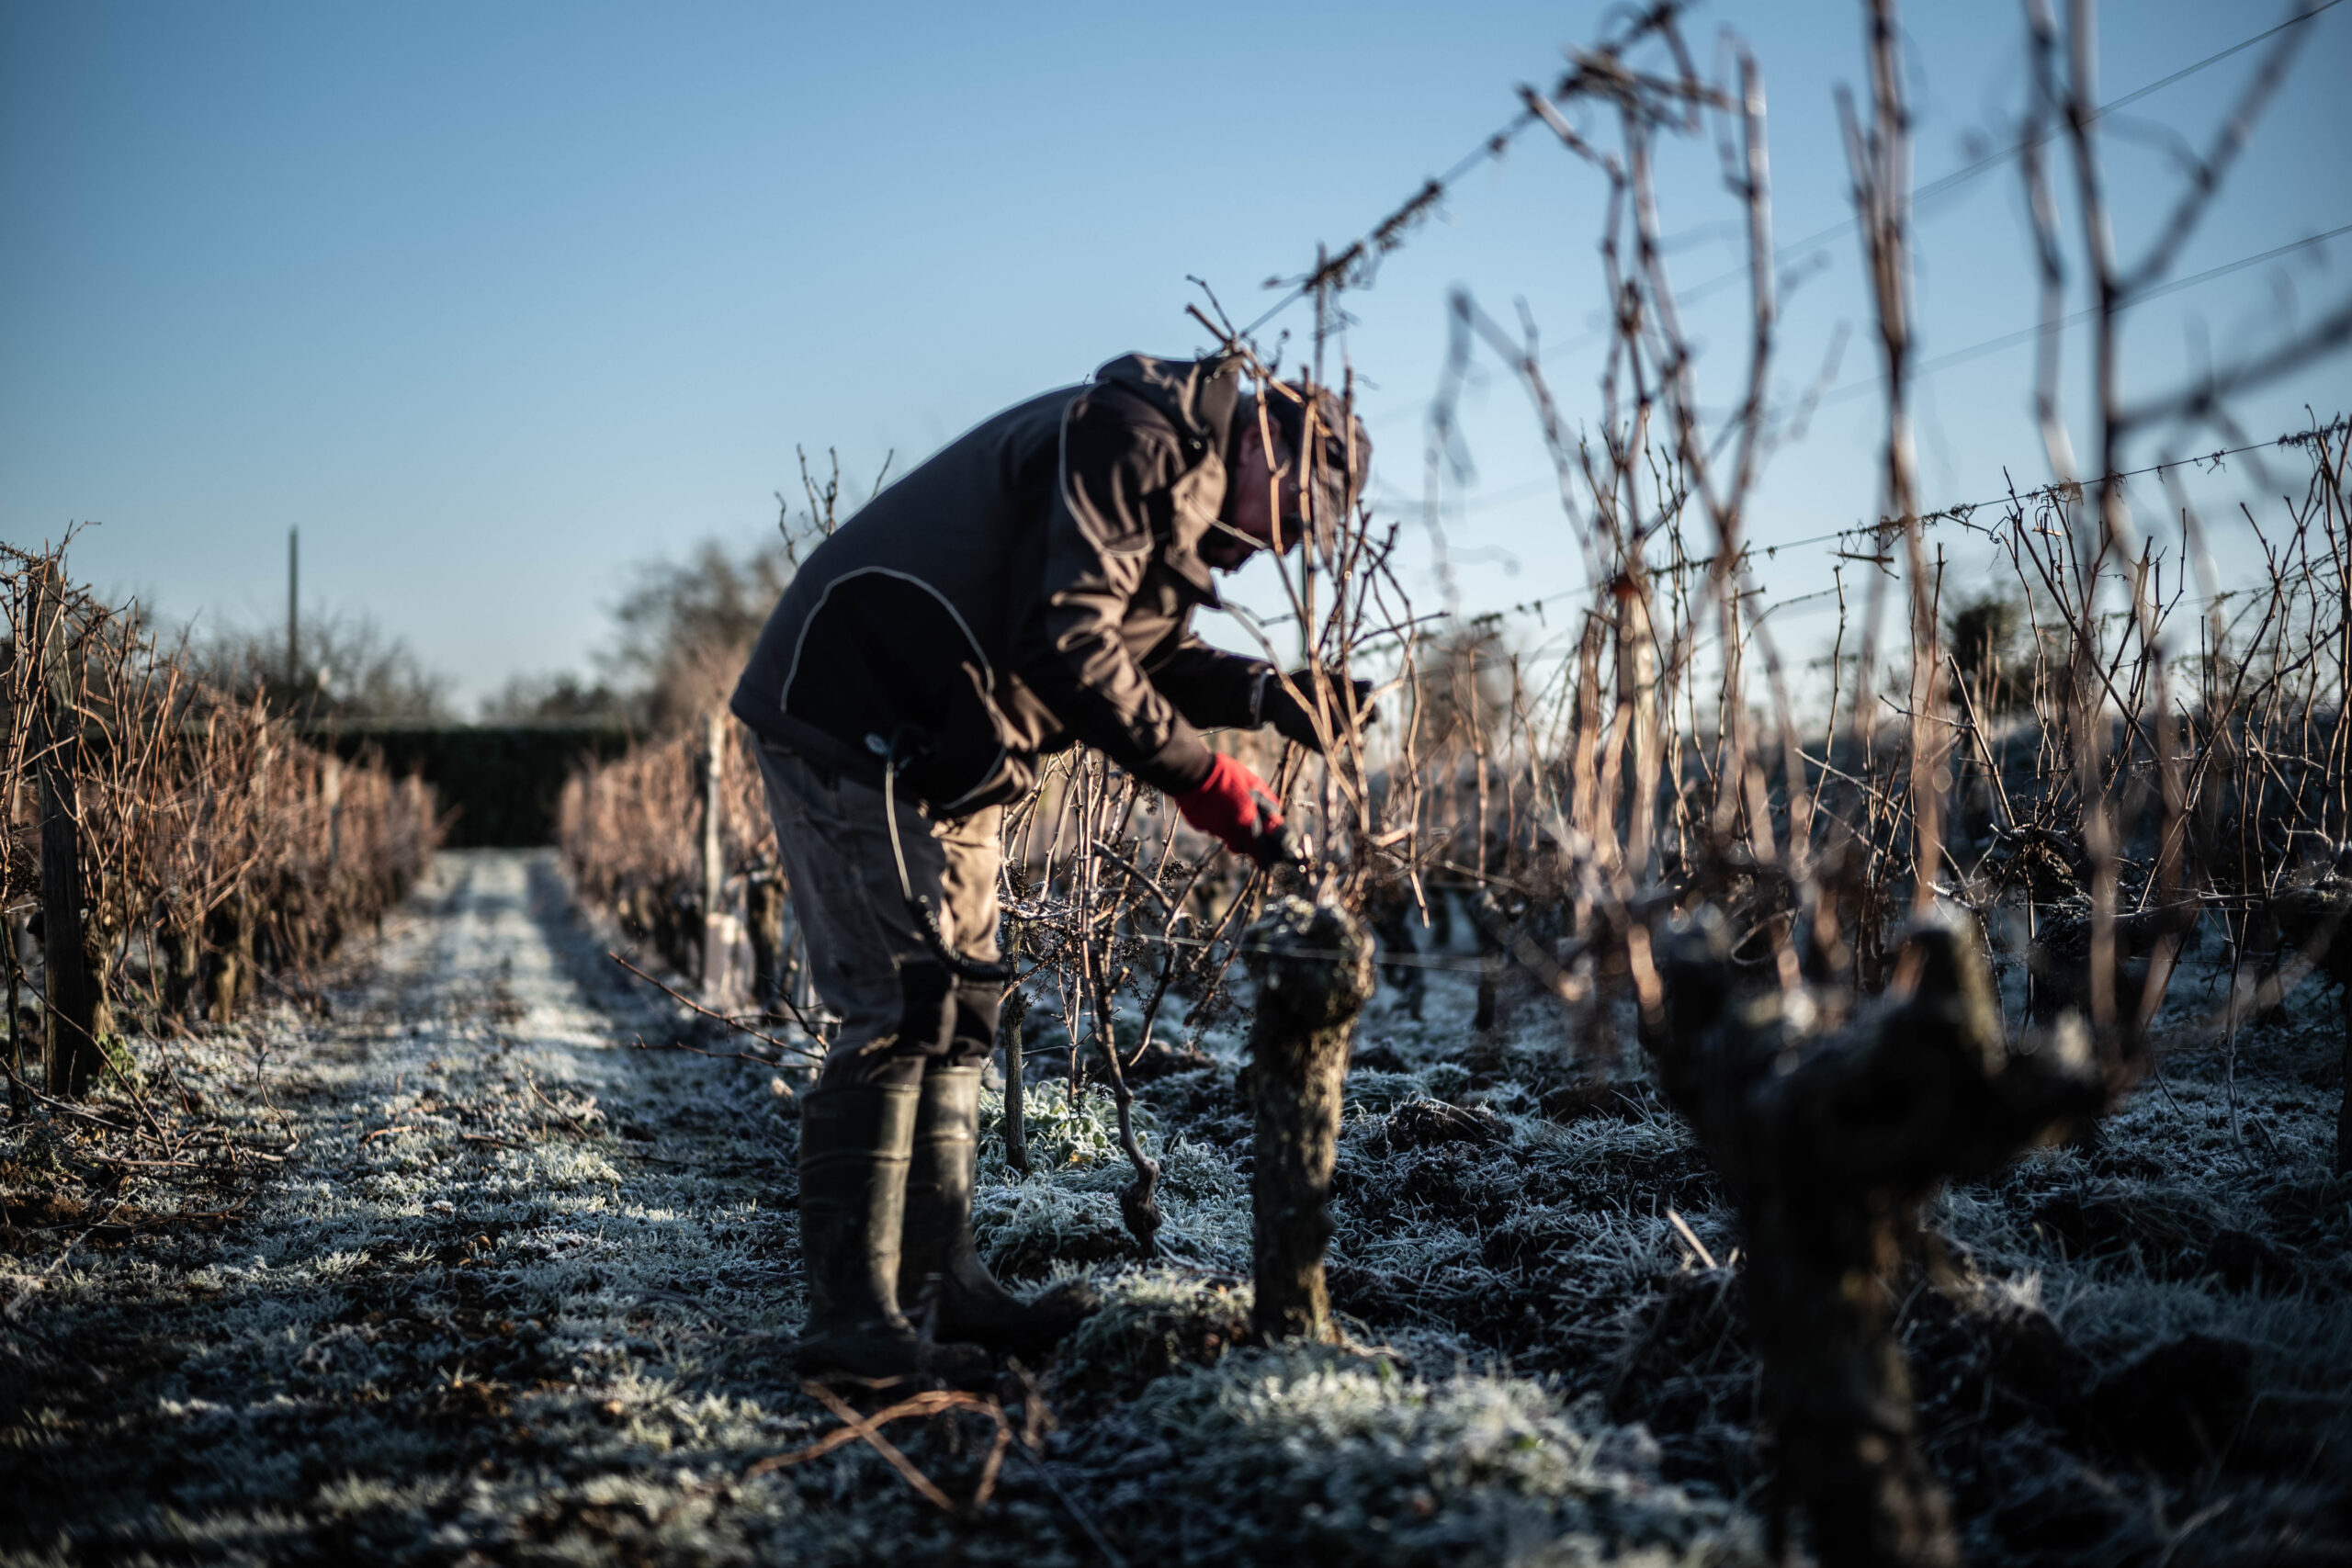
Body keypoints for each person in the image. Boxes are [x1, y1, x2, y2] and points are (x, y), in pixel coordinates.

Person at [730, 350, 1371, 1380]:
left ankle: (945, 1292)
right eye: (1296, 519)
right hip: (859, 719)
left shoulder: (1179, 487)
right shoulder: (1134, 438)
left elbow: (1136, 653)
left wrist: (1267, 697)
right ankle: (852, 1324)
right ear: (1269, 444)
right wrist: (1205, 781)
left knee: (959, 1010)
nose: (1279, 550)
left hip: (948, 752)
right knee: (900, 1006)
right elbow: (1069, 644)